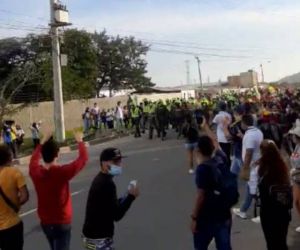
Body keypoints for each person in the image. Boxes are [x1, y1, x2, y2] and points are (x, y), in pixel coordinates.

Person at [29, 128, 88, 250]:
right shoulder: (61, 173)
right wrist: (80, 141)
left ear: (43, 155)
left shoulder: (35, 172)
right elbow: (82, 159)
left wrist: (42, 142)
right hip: (62, 223)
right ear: (57, 154)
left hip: (45, 223)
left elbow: (33, 159)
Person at [191, 119, 235, 250]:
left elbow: (200, 196)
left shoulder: (202, 169)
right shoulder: (221, 159)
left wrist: (194, 217)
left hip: (207, 216)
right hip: (224, 212)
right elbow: (216, 143)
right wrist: (205, 128)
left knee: (200, 245)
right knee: (224, 246)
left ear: (198, 150)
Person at [82, 148, 139, 250]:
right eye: (115, 161)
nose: (119, 164)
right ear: (104, 163)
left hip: (90, 238)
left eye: (120, 161)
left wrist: (124, 198)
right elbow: (117, 215)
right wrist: (131, 197)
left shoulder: (101, 178)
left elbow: (108, 206)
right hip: (99, 240)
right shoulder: (107, 184)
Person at [257, 140, 292, 250]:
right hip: (283, 211)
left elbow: (259, 192)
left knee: (271, 242)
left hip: (268, 213)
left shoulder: (263, 170)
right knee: (281, 241)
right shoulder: (282, 167)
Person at [233, 114, 263, 220]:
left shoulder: (249, 135)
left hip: (253, 166)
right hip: (257, 164)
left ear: (244, 123)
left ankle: (261, 213)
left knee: (254, 190)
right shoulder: (257, 132)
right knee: (251, 188)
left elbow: (249, 152)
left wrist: (245, 168)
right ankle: (243, 210)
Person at [0, 145, 29, 250]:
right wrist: (16, 204)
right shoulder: (14, 172)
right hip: (13, 225)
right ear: (9, 157)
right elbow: (24, 196)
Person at [289, 119, 300, 232]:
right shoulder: (296, 146)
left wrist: (294, 171)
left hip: (297, 176)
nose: (291, 137)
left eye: (293, 135)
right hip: (296, 179)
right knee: (296, 201)